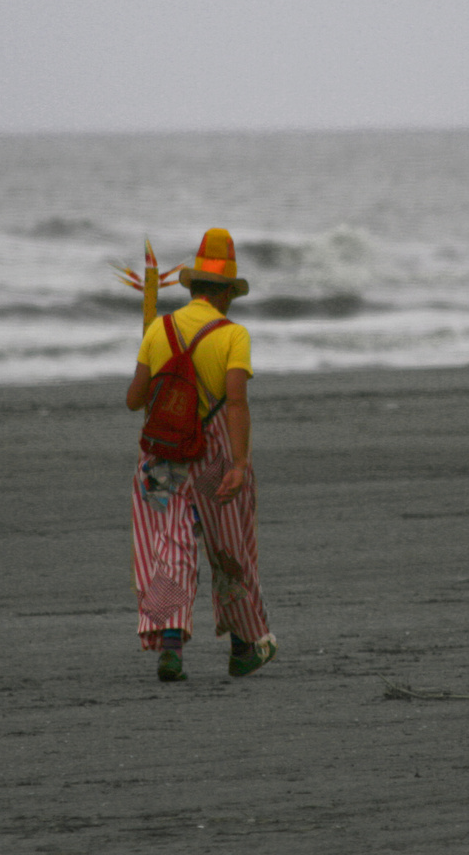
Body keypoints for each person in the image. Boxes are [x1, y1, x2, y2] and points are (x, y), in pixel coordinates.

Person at [125, 228, 275, 682]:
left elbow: (134, 400)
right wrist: (240, 464)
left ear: (191, 287)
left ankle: (171, 643)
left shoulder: (159, 328)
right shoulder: (233, 335)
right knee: (230, 545)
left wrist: (156, 369)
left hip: (164, 453)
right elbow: (236, 401)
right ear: (227, 292)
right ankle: (244, 646)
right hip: (214, 452)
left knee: (169, 542)